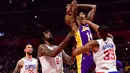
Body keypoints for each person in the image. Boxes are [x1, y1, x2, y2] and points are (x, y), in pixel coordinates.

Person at [66, 0, 96, 73]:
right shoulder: (76, 27)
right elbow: (72, 17)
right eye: (81, 17)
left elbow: (93, 7)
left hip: (93, 53)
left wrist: (78, 5)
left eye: (84, 17)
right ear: (78, 19)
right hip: (83, 55)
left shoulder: (88, 24)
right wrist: (74, 7)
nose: (83, 18)